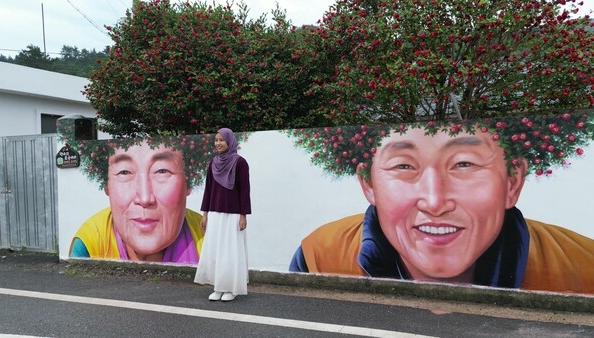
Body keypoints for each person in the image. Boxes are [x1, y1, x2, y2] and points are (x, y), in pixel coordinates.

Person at [289, 115, 594, 295]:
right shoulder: (320, 257)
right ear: (369, 185)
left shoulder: (583, 270)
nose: (435, 202)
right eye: (404, 166)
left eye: (464, 164)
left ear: (512, 182)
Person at [69, 139, 205, 264]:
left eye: (162, 171)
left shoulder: (209, 240)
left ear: (188, 184)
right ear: (107, 186)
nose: (145, 199)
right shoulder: (89, 244)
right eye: (124, 172)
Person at [194, 128, 251, 302]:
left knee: (230, 251)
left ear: (230, 141)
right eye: (216, 140)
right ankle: (218, 287)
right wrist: (205, 214)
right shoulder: (213, 163)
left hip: (233, 214)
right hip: (216, 213)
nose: (218, 143)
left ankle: (231, 288)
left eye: (221, 140)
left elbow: (244, 191)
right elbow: (208, 190)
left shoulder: (240, 163)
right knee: (217, 250)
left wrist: (243, 215)